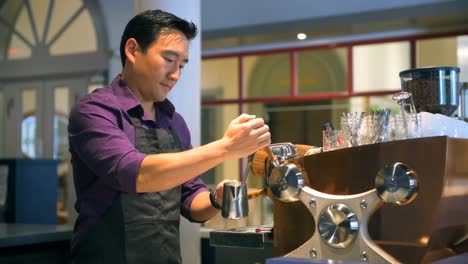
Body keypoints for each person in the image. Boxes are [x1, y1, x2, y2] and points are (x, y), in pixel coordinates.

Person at [68, 9, 271, 264]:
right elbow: (136, 174)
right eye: (168, 59)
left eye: (181, 65)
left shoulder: (174, 122)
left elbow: (191, 200)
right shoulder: (94, 110)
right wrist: (227, 147)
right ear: (132, 50)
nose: (175, 74)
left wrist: (214, 199)